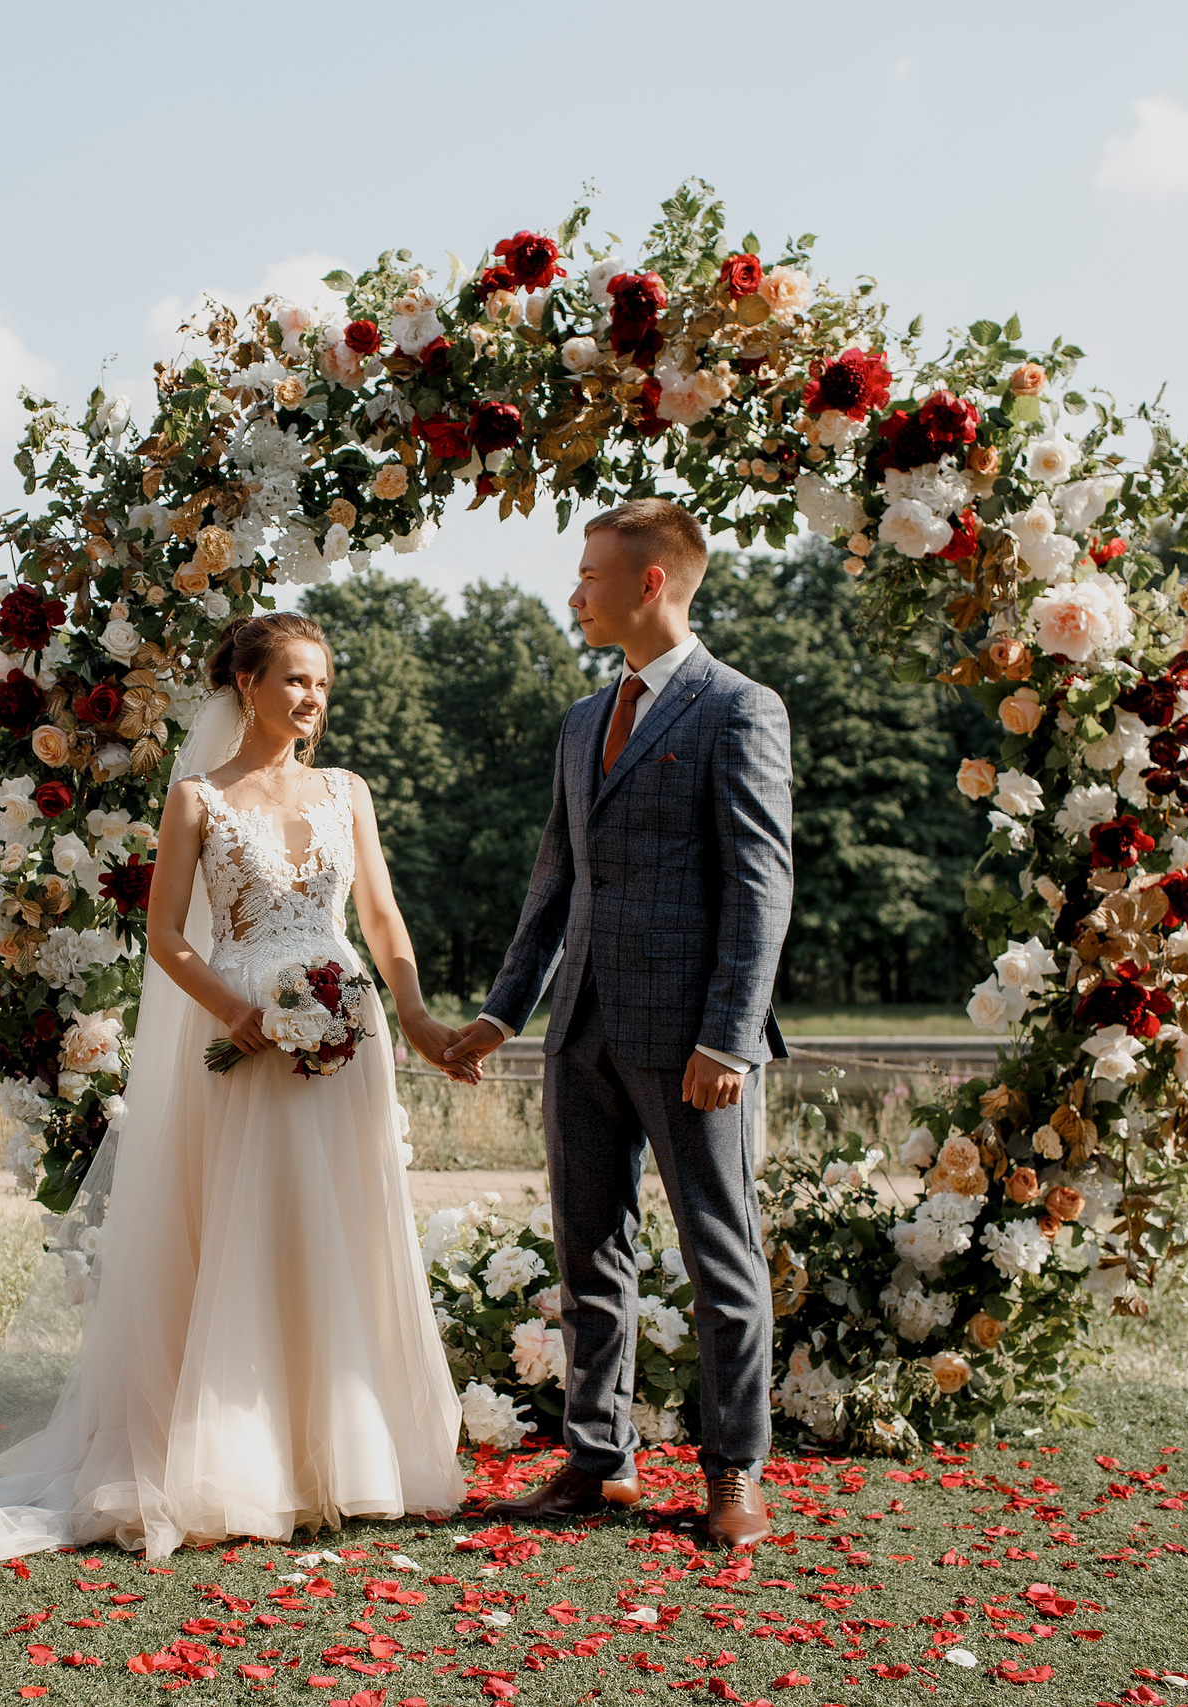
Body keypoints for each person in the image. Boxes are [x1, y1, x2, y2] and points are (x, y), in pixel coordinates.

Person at [0, 612, 474, 1561]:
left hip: (343, 1040)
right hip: (244, 1041)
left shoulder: (346, 791)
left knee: (339, 1231)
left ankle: (343, 1457)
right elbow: (167, 939)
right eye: (294, 682)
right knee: (253, 1230)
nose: (311, 698)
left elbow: (383, 919)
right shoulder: (197, 800)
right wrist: (238, 1012)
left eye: (321, 682)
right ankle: (244, 1461)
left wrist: (420, 1017)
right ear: (246, 686)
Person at [442, 499, 794, 1550]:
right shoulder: (581, 720)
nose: (575, 589)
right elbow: (553, 885)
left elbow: (759, 889)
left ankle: (734, 1473)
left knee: (721, 1259)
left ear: (652, 583)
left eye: (592, 572)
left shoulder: (740, 709)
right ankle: (599, 1465)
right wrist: (504, 1009)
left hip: (694, 1045)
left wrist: (727, 1039)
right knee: (589, 1254)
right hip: (580, 1031)